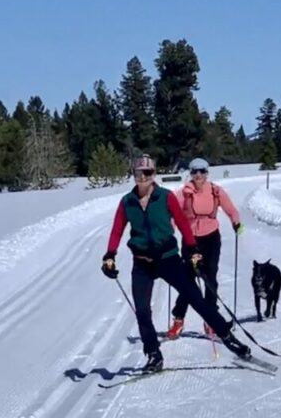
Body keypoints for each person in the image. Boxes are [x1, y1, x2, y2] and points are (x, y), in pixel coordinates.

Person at [101, 155, 252, 372]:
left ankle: (228, 338)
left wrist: (191, 249)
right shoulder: (127, 202)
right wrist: (109, 255)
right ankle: (153, 353)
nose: (143, 178)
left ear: (154, 175)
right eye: (138, 173)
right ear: (133, 175)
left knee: (196, 298)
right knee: (142, 311)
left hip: (168, 259)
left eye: (148, 173)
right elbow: (117, 229)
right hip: (142, 263)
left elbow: (182, 223)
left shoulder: (166, 197)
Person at [166, 157, 242, 338]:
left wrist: (236, 223)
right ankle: (178, 319)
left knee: (210, 279)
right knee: (188, 281)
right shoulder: (183, 193)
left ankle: (211, 320)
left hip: (211, 238)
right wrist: (169, 231)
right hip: (191, 240)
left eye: (202, 171)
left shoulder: (216, 191)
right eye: (194, 172)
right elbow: (172, 213)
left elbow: (232, 210)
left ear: (207, 173)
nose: (198, 175)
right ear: (190, 174)